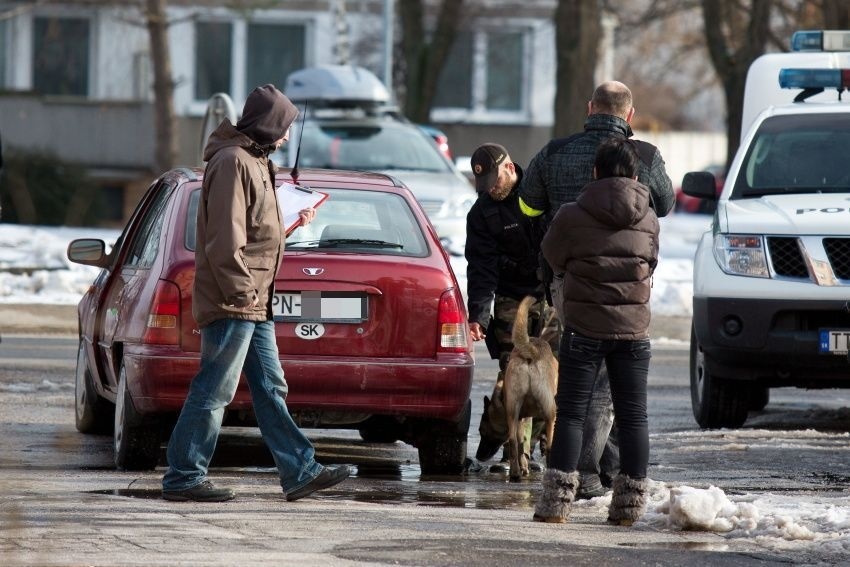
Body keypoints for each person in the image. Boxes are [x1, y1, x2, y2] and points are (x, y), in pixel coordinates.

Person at [162, 84, 350, 502]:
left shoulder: (254, 160)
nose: (285, 137)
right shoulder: (232, 161)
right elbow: (224, 240)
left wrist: (294, 221)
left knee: (269, 386)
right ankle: (183, 476)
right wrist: (243, 291)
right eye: (282, 128)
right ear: (267, 126)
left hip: (254, 296)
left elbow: (254, 230)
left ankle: (300, 470)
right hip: (237, 297)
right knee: (215, 387)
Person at [518, 80, 675, 498]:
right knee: (618, 396)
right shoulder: (647, 158)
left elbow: (528, 205)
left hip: (570, 283)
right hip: (630, 290)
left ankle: (589, 472)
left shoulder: (553, 153)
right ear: (630, 116)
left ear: (590, 109)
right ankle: (607, 474)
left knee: (579, 386)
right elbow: (667, 205)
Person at [533, 138, 659, 525]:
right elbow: (650, 262)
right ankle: (628, 509)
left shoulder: (572, 214)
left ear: (595, 172)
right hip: (634, 333)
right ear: (636, 175)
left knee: (570, 413)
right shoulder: (649, 216)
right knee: (633, 416)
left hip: (583, 329)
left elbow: (551, 256)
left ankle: (556, 507)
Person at [465, 143, 558, 472]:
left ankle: (535, 445)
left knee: (550, 375)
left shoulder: (539, 190)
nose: (490, 188)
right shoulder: (481, 214)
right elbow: (480, 268)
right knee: (514, 375)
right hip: (510, 298)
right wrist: (477, 315)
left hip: (551, 294)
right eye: (484, 184)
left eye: (493, 180)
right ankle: (506, 444)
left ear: (508, 168)